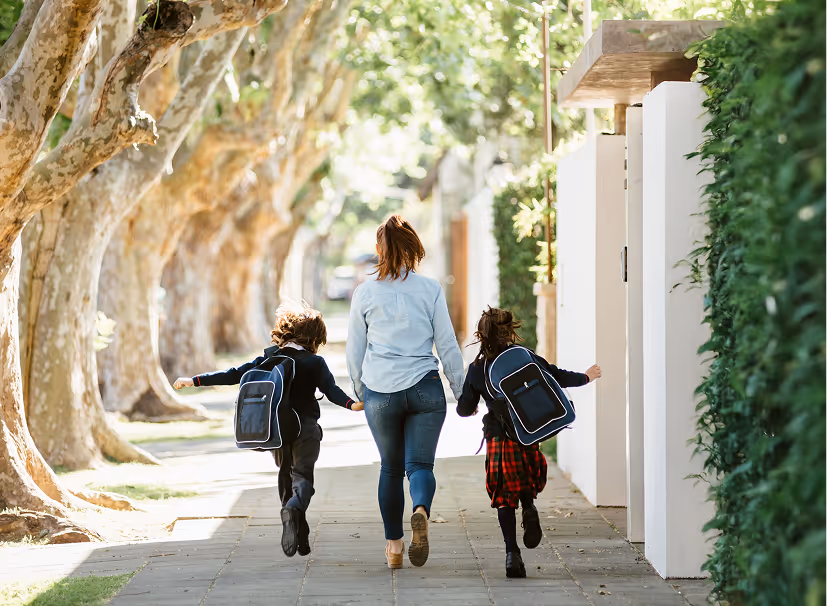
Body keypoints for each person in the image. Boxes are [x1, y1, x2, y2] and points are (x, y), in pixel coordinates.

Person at [174, 305, 363, 558]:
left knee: (286, 475)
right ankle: (294, 508)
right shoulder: (314, 362)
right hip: (305, 429)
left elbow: (233, 375)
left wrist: (194, 380)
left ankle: (298, 528)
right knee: (303, 479)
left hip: (276, 430)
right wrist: (353, 405)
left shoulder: (269, 358)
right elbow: (332, 391)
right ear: (314, 337)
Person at [347, 215, 464, 569]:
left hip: (381, 391)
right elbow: (447, 344)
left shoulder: (365, 292)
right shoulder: (430, 289)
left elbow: (355, 350)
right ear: (412, 246)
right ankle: (420, 511)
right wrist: (460, 391)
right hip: (426, 388)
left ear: (380, 250)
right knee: (419, 466)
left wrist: (359, 390)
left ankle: (395, 547)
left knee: (390, 468)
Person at [456, 307, 601, 579]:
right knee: (525, 478)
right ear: (509, 331)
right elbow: (555, 374)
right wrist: (586, 377)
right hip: (527, 432)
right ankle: (530, 505)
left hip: (499, 436)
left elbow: (464, 407)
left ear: (481, 335)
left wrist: (469, 408)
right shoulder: (524, 357)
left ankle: (512, 554)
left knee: (502, 495)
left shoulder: (477, 369)